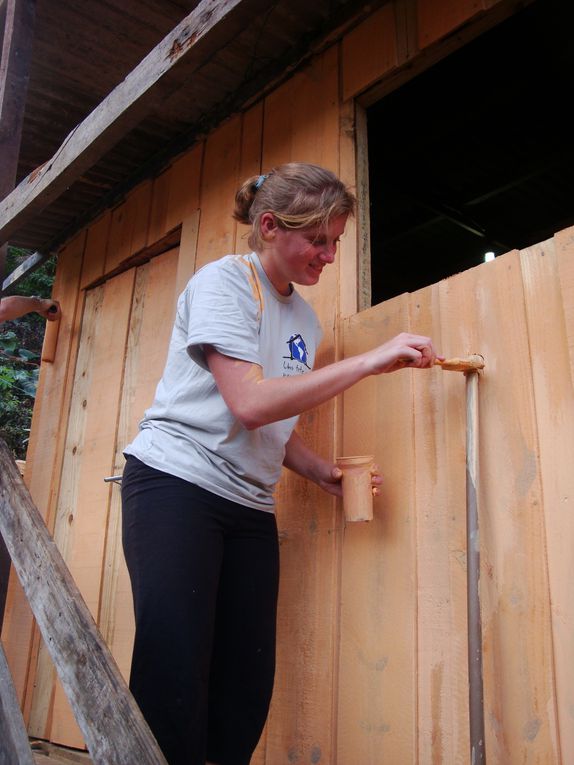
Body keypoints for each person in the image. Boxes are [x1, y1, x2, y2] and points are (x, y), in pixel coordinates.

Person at [121, 162, 440, 765]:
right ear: (269, 226)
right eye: (317, 240)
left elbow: (272, 420)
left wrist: (320, 471)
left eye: (336, 242)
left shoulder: (305, 320)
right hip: (175, 485)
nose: (328, 256)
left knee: (245, 682)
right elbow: (247, 402)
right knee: (175, 666)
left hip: (248, 504)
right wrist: (371, 361)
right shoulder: (224, 283)